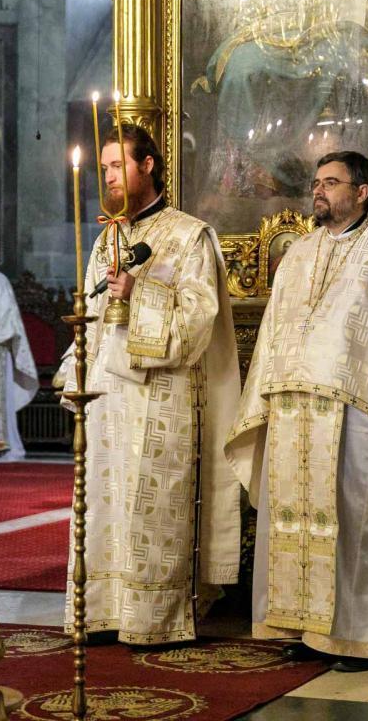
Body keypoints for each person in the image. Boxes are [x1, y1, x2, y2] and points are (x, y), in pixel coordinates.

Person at [227, 151, 368, 672]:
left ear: (363, 191)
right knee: (293, 525)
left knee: (356, 529)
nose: (319, 191)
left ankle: (358, 637)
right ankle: (302, 629)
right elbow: (273, 335)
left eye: (332, 182)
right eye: (317, 183)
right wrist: (262, 402)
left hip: (357, 418)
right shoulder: (300, 255)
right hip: (291, 414)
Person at [56, 123, 241, 645]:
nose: (109, 176)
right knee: (103, 506)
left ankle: (153, 620)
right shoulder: (105, 238)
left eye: (119, 165)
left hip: (161, 400)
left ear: (148, 165)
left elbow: (197, 325)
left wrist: (142, 293)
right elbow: (90, 313)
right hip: (106, 401)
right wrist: (76, 371)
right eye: (106, 167)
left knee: (149, 509)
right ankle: (101, 612)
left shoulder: (190, 236)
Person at [0, 230, 38, 462]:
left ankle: (6, 447)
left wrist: (18, 351)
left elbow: (14, 319)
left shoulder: (2, 280)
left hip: (2, 354)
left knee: (3, 402)